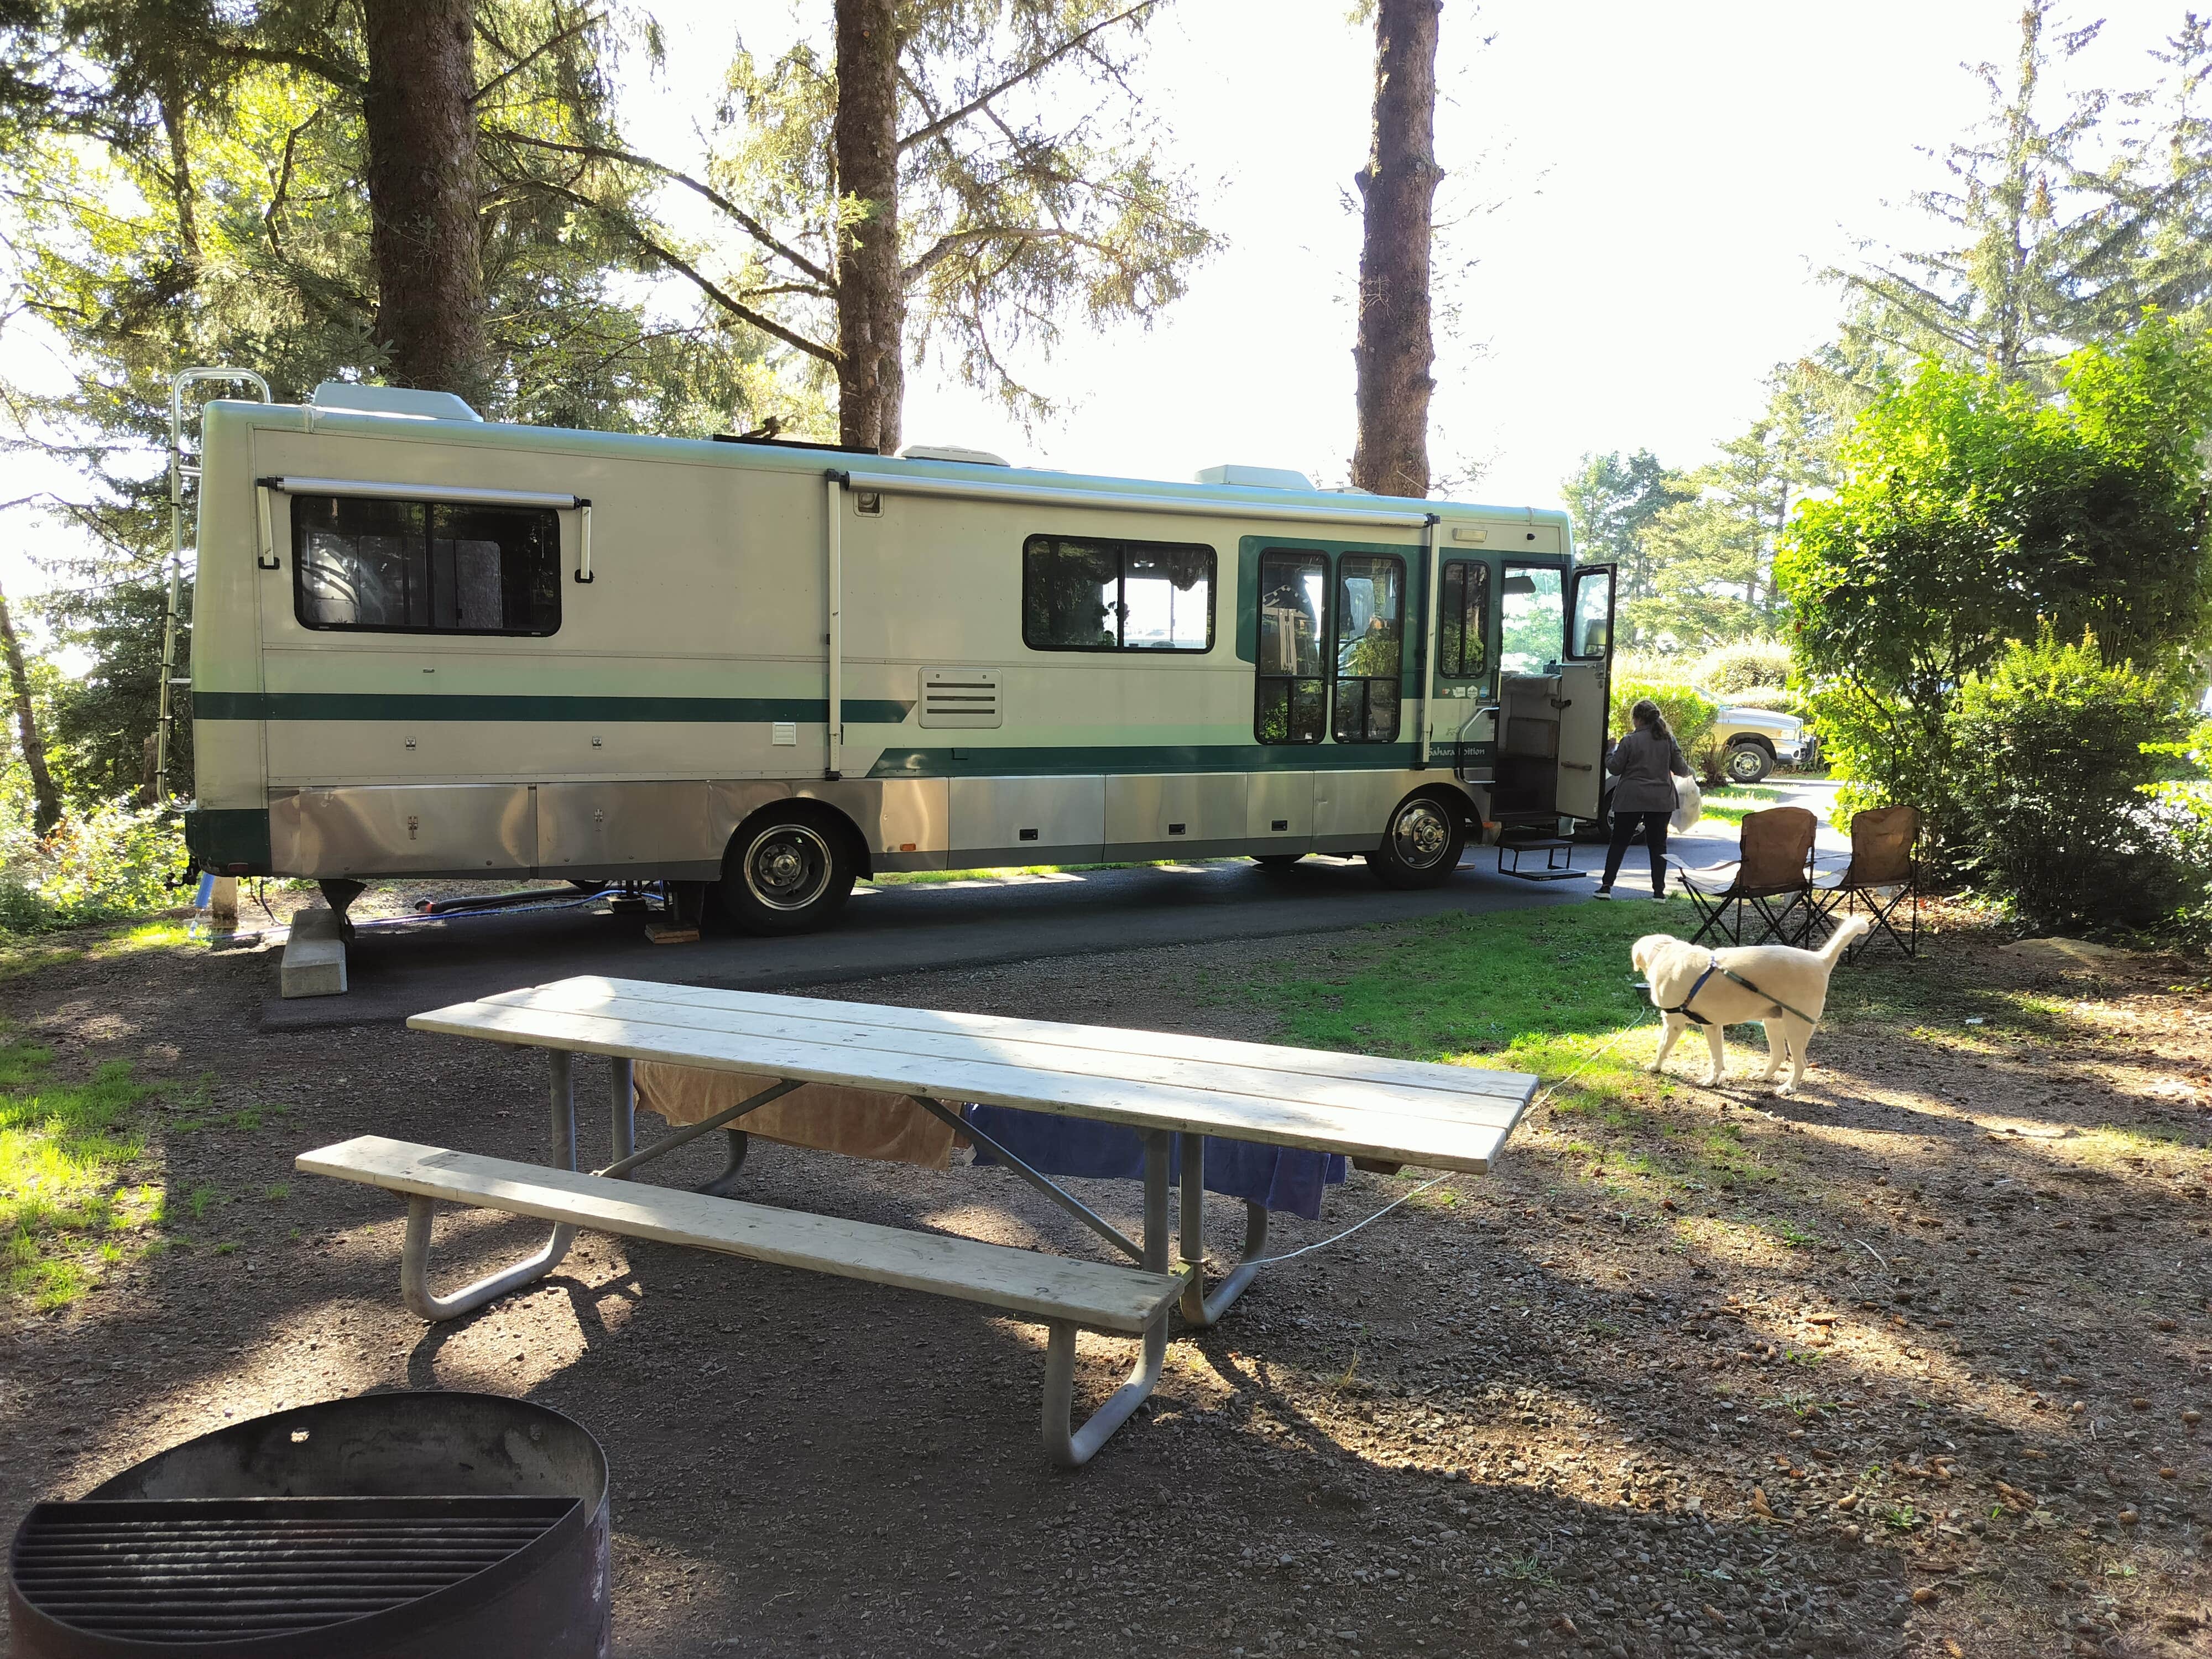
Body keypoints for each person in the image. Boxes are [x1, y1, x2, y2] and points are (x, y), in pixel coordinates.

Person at [1597, 698, 1692, 900]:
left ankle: (1606, 887)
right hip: (1660, 799)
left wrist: (1608, 752)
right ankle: (1659, 891)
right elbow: (1681, 769)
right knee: (1658, 845)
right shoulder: (1668, 740)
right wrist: (1693, 773)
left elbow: (1615, 768)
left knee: (1619, 842)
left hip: (1631, 797)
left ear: (1637, 719)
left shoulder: (1629, 741)